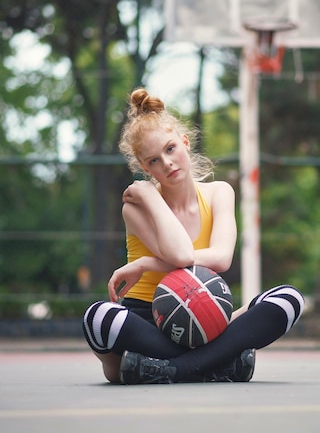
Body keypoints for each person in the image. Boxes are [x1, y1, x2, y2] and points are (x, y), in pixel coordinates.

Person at [83, 87, 304, 384]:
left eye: (170, 149)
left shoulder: (219, 193)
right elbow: (182, 255)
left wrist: (145, 264)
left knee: (288, 299)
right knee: (98, 317)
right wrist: (150, 195)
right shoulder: (135, 207)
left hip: (208, 316)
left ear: (185, 143)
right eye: (153, 161)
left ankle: (171, 369)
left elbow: (221, 258)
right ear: (145, 169)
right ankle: (217, 362)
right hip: (147, 321)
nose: (167, 163)